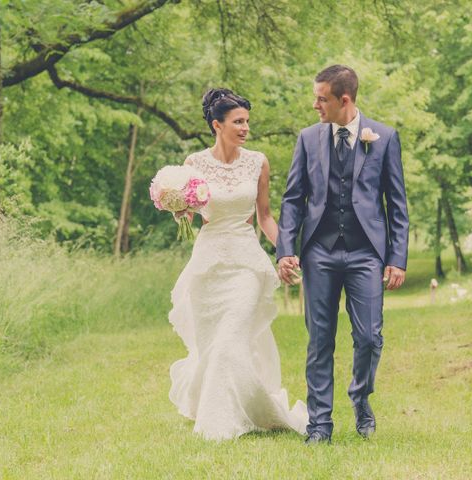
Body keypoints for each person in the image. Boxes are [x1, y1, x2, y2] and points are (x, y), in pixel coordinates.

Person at [277, 65, 409, 445]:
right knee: (320, 340)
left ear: (344, 100)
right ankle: (319, 424)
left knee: (369, 337)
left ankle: (360, 395)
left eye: (322, 98)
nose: (315, 104)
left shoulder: (383, 137)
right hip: (319, 252)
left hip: (366, 253)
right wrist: (286, 249)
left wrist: (396, 257)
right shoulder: (307, 139)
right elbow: (292, 200)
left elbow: (397, 204)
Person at [168, 88, 307, 441]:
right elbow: (190, 215)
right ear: (217, 125)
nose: (245, 128)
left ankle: (219, 423)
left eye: (247, 121)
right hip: (208, 262)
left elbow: (264, 216)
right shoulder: (193, 165)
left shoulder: (258, 161)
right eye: (238, 121)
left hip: (246, 264)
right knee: (212, 343)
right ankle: (230, 405)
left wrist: (287, 250)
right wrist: (177, 208)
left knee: (232, 338)